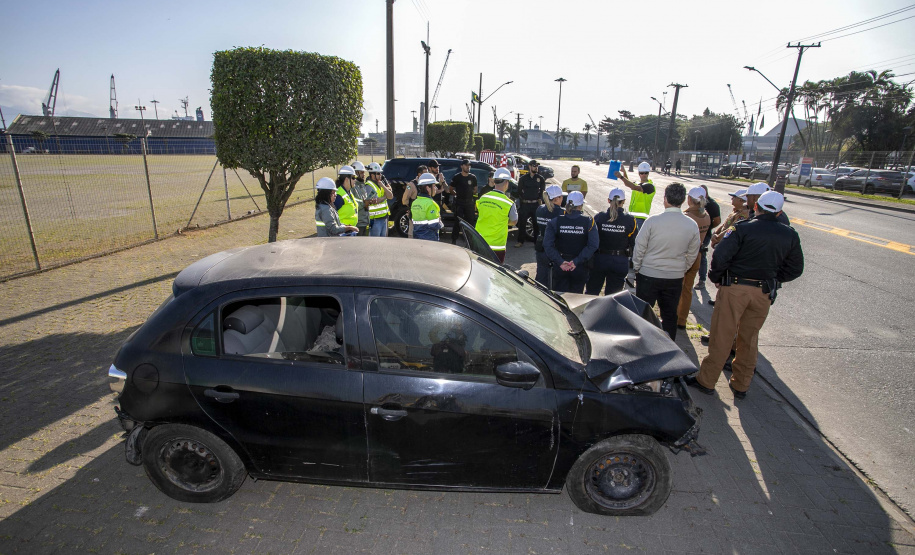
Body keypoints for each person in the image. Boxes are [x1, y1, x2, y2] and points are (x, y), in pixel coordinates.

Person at [686, 191, 804, 399]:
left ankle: (707, 380)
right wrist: (774, 279)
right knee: (749, 339)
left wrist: (717, 278)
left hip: (736, 287)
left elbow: (721, 256)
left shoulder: (742, 229)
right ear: (779, 213)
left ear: (756, 207)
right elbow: (795, 269)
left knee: (722, 335)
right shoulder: (790, 234)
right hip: (763, 292)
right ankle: (741, 384)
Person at [631, 183, 700, 340]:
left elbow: (639, 247)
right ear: (683, 200)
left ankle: (642, 343)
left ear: (665, 199)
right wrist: (681, 269)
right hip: (674, 277)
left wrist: (637, 267)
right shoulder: (691, 225)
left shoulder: (652, 221)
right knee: (669, 315)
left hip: (648, 274)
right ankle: (668, 346)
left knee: (644, 313)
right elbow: (692, 253)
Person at [543, 191, 599, 293]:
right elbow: (593, 245)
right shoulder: (589, 221)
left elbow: (547, 245)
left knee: (559, 298)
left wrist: (560, 262)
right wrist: (576, 261)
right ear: (581, 206)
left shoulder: (555, 221)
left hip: (561, 266)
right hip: (579, 266)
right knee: (576, 298)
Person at [586, 188, 637, 296]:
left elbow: (592, 238)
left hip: (600, 260)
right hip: (619, 261)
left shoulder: (599, 217)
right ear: (623, 201)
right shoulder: (630, 220)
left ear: (608, 200)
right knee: (613, 297)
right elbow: (633, 241)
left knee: (591, 293)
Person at [676, 187, 712, 329]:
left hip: (684, 257)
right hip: (697, 255)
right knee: (687, 290)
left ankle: (675, 316)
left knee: (678, 289)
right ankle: (682, 319)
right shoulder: (706, 215)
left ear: (689, 199)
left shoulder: (687, 217)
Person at [475, 168, 518, 263]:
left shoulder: (483, 198)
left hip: (480, 242)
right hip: (497, 246)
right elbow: (514, 221)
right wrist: (503, 220)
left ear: (494, 181)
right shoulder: (509, 203)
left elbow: (480, 212)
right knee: (495, 273)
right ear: (506, 183)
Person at [534, 185, 564, 287]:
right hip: (555, 249)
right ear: (558, 198)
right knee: (556, 281)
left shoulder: (540, 209)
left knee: (541, 279)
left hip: (541, 247)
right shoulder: (562, 213)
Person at [616, 161, 656, 231]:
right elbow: (628, 183)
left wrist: (621, 177)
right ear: (639, 173)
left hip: (641, 219)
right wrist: (624, 172)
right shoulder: (637, 183)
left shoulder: (650, 186)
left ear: (648, 173)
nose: (644, 175)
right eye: (642, 173)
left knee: (637, 240)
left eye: (646, 173)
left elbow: (634, 187)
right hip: (631, 216)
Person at [695, 184, 721, 289]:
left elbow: (717, 221)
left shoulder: (712, 205)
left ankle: (702, 280)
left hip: (705, 235)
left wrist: (707, 228)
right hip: (695, 233)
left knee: (701, 257)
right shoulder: (696, 202)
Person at [515, 159, 546, 247]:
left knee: (536, 224)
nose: (536, 168)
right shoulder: (523, 178)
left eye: (537, 166)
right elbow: (519, 191)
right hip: (525, 204)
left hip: (535, 204)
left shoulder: (540, 178)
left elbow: (542, 191)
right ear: (529, 166)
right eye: (534, 166)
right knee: (522, 223)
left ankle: (536, 243)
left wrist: (539, 199)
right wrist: (523, 199)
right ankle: (520, 241)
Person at [449, 158, 478, 245]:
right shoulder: (457, 177)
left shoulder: (473, 177)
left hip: (469, 203)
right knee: (457, 222)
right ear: (462, 166)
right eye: (466, 165)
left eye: (469, 165)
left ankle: (470, 241)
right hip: (459, 203)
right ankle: (454, 240)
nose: (468, 167)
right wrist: (457, 195)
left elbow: (475, 190)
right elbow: (451, 189)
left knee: (470, 223)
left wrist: (469, 193)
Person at [411, 173, 443, 241]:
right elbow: (434, 225)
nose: (436, 188)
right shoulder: (431, 204)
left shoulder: (415, 202)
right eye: (434, 186)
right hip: (429, 238)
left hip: (416, 237)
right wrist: (440, 222)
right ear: (428, 188)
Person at [365, 162, 394, 237]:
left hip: (384, 217)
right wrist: (385, 197)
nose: (380, 175)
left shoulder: (380, 184)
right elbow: (376, 200)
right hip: (375, 220)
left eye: (380, 173)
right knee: (375, 242)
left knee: (382, 242)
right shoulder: (369, 186)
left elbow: (390, 196)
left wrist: (383, 186)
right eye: (378, 173)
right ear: (372, 175)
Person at [333, 165, 362, 230]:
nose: (355, 180)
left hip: (349, 231)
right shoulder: (339, 195)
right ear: (346, 179)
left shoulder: (349, 192)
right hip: (342, 233)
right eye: (353, 178)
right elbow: (331, 216)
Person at [351, 161, 371, 236]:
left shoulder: (362, 185)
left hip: (365, 221)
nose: (364, 175)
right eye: (362, 173)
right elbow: (353, 203)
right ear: (356, 173)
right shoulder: (352, 187)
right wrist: (364, 203)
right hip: (358, 223)